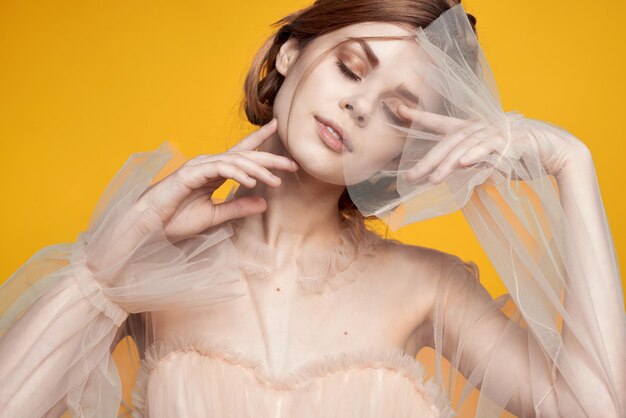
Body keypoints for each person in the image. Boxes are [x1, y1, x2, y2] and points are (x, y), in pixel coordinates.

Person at [0, 1, 624, 417]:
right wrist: (112, 264)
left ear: (404, 151)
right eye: (351, 69)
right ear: (290, 53)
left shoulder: (430, 287)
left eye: (397, 112)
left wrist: (574, 164)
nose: (358, 107)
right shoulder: (152, 265)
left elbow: (595, 410)